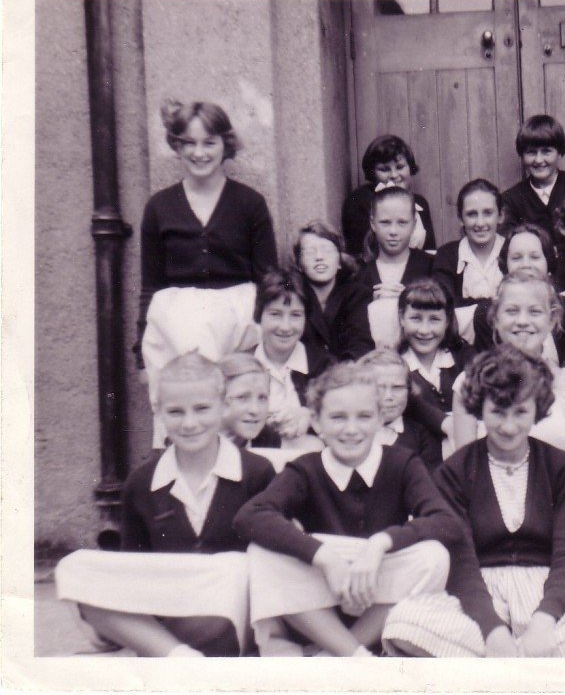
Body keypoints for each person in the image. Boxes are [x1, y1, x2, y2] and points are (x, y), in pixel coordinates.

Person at [382, 346, 565, 657]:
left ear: (537, 410)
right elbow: (462, 565)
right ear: (479, 410)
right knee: (403, 622)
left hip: (551, 597)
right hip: (481, 599)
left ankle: (515, 659)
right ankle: (533, 658)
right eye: (497, 412)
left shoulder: (561, 467)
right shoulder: (455, 470)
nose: (509, 426)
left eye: (520, 412)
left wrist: (544, 621)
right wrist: (493, 631)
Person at [55, 354, 277, 656]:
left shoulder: (256, 472)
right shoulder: (141, 482)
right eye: (176, 412)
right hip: (166, 606)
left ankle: (152, 644)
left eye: (201, 409)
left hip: (231, 611)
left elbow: (270, 566)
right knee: (74, 568)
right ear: (158, 411)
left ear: (223, 406)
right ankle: (179, 656)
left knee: (234, 568)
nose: (189, 423)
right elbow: (136, 568)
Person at [233, 362, 460, 656]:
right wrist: (323, 556)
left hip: (377, 587)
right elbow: (250, 516)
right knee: (262, 554)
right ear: (316, 422)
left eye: (364, 416)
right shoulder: (306, 469)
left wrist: (381, 543)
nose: (351, 429)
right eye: (338, 417)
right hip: (322, 592)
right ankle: (356, 657)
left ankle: (334, 653)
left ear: (380, 419)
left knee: (434, 557)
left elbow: (445, 521)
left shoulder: (402, 463)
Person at [137, 100, 278, 445]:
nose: (199, 153)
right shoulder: (159, 207)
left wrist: (259, 328)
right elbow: (150, 285)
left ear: (225, 145)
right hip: (174, 324)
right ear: (177, 145)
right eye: (189, 143)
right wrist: (139, 350)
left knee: (231, 411)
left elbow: (268, 279)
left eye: (209, 143)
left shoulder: (249, 204)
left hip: (236, 319)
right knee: (184, 414)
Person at [452, 272, 565, 568]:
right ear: (495, 318)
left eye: (534, 311)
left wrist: (559, 525)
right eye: (512, 311)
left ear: (551, 320)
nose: (523, 321)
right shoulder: (468, 383)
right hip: (493, 526)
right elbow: (466, 470)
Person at [471, 223, 565, 364]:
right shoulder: (486, 312)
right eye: (516, 258)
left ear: (548, 262)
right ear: (505, 265)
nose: (526, 264)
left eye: (534, 257)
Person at [396, 278, 477, 452]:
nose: (424, 330)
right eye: (416, 318)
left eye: (434, 319)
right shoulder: (394, 365)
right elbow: (409, 401)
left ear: (447, 321)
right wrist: (444, 422)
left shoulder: (463, 356)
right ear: (402, 318)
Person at [251, 269, 330, 444]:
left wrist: (309, 416)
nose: (285, 327)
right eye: (275, 314)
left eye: (295, 315)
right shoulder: (244, 364)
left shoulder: (323, 365)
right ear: (259, 315)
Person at [293, 221, 374, 364]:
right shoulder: (293, 294)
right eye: (310, 251)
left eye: (327, 250)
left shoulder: (356, 294)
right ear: (299, 264)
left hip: (345, 375)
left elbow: (360, 343)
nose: (319, 257)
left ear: (339, 261)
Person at [501, 114, 565, 237]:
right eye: (531, 152)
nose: (539, 160)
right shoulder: (512, 198)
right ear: (522, 156)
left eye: (546, 151)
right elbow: (509, 241)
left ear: (559, 153)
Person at [341, 135, 436, 256]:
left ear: (410, 168)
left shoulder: (420, 203)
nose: (394, 175)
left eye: (400, 167)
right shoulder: (358, 201)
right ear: (372, 172)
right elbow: (362, 252)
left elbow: (430, 251)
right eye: (384, 169)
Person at [356, 348, 442, 471]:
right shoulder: (352, 431)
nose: (389, 396)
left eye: (397, 387)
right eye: (379, 388)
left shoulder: (422, 436)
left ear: (409, 390)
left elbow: (430, 485)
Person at [431, 179, 506, 308]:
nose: (480, 223)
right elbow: (444, 303)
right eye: (472, 214)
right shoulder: (447, 255)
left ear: (500, 216)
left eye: (488, 213)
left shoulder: (512, 250)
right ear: (460, 219)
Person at [357, 187, 434, 298]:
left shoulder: (431, 266)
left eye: (402, 222)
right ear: (373, 224)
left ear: (414, 224)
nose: (393, 231)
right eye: (385, 222)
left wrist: (409, 300)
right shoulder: (359, 272)